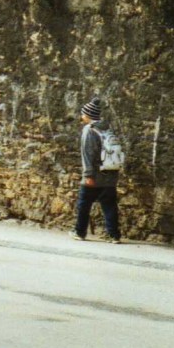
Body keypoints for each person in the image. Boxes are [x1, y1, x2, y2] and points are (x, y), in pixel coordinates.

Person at [70, 97, 121, 244]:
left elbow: (88, 154)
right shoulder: (107, 128)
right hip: (110, 174)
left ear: (88, 115)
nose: (81, 116)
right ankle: (114, 235)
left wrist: (88, 175)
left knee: (84, 204)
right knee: (110, 205)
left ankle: (79, 232)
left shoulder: (89, 131)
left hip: (95, 175)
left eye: (83, 114)